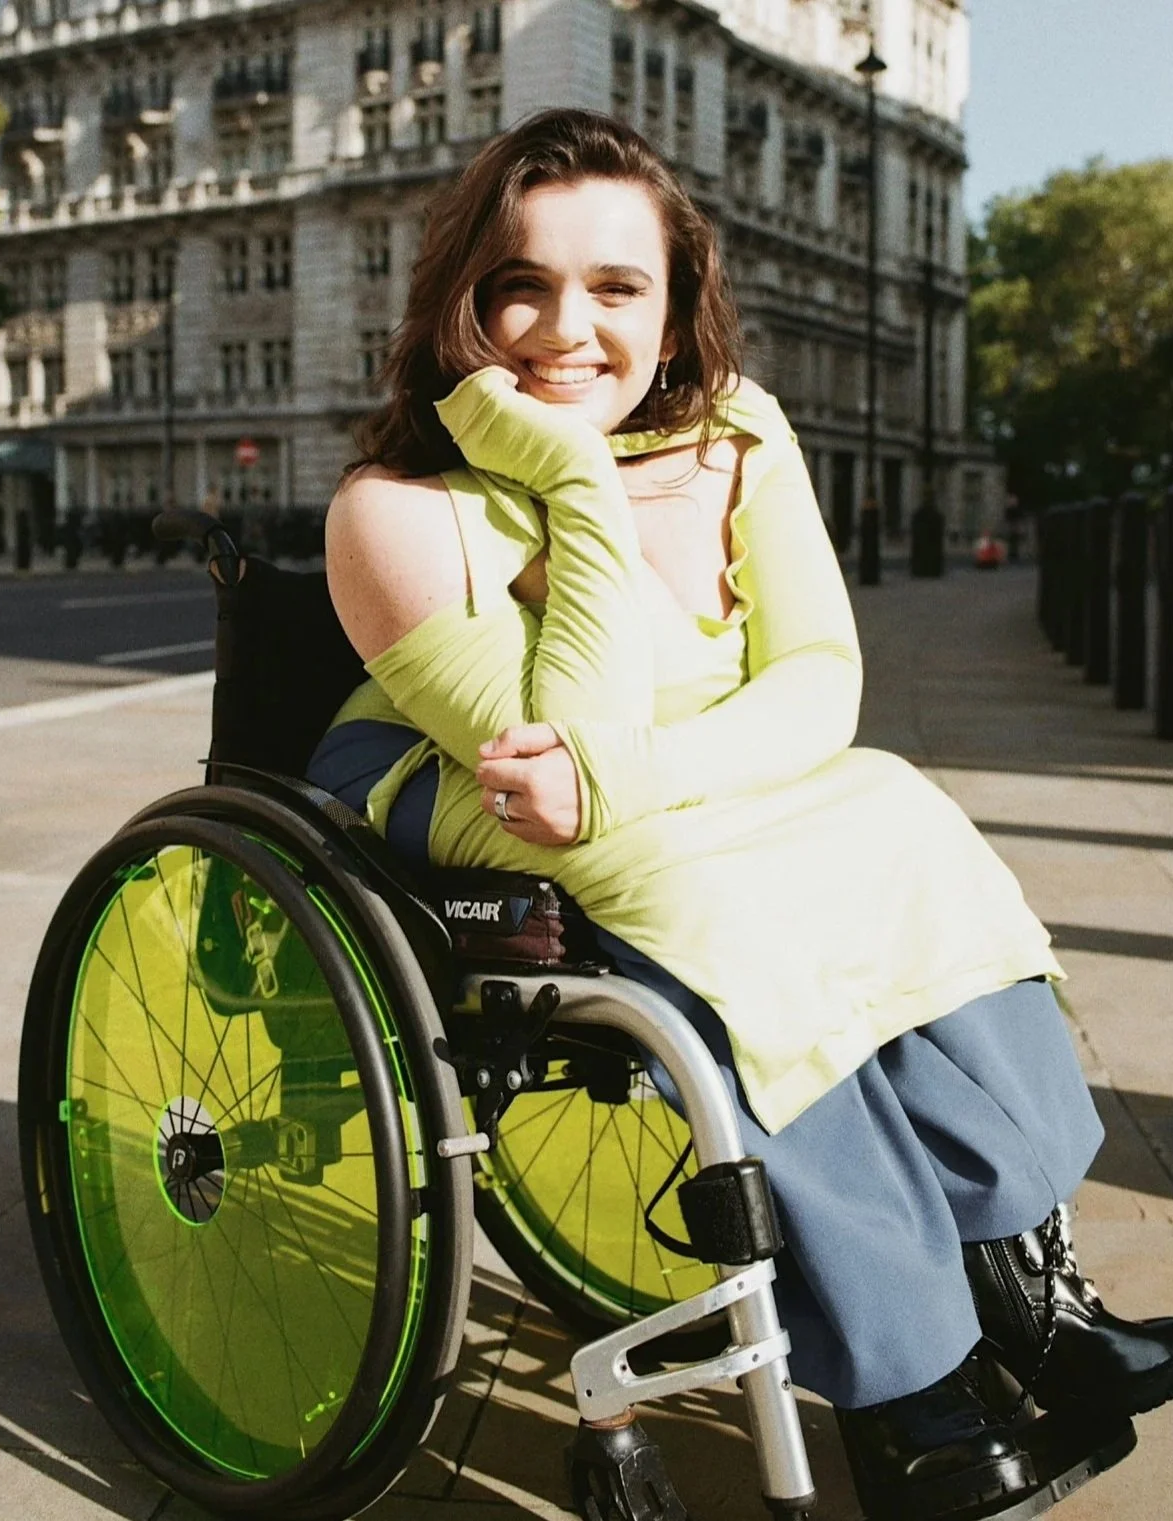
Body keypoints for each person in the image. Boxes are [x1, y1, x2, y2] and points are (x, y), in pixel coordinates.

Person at [306, 108, 1173, 1517]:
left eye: (615, 287)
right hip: (459, 791)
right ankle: (910, 1394)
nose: (563, 326)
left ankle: (1025, 1287)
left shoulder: (742, 435)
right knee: (690, 892)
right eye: (519, 282)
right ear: (461, 299)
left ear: (676, 303)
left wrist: (647, 769)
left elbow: (820, 685)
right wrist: (573, 479)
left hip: (665, 777)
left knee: (889, 809)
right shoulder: (395, 510)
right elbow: (557, 768)